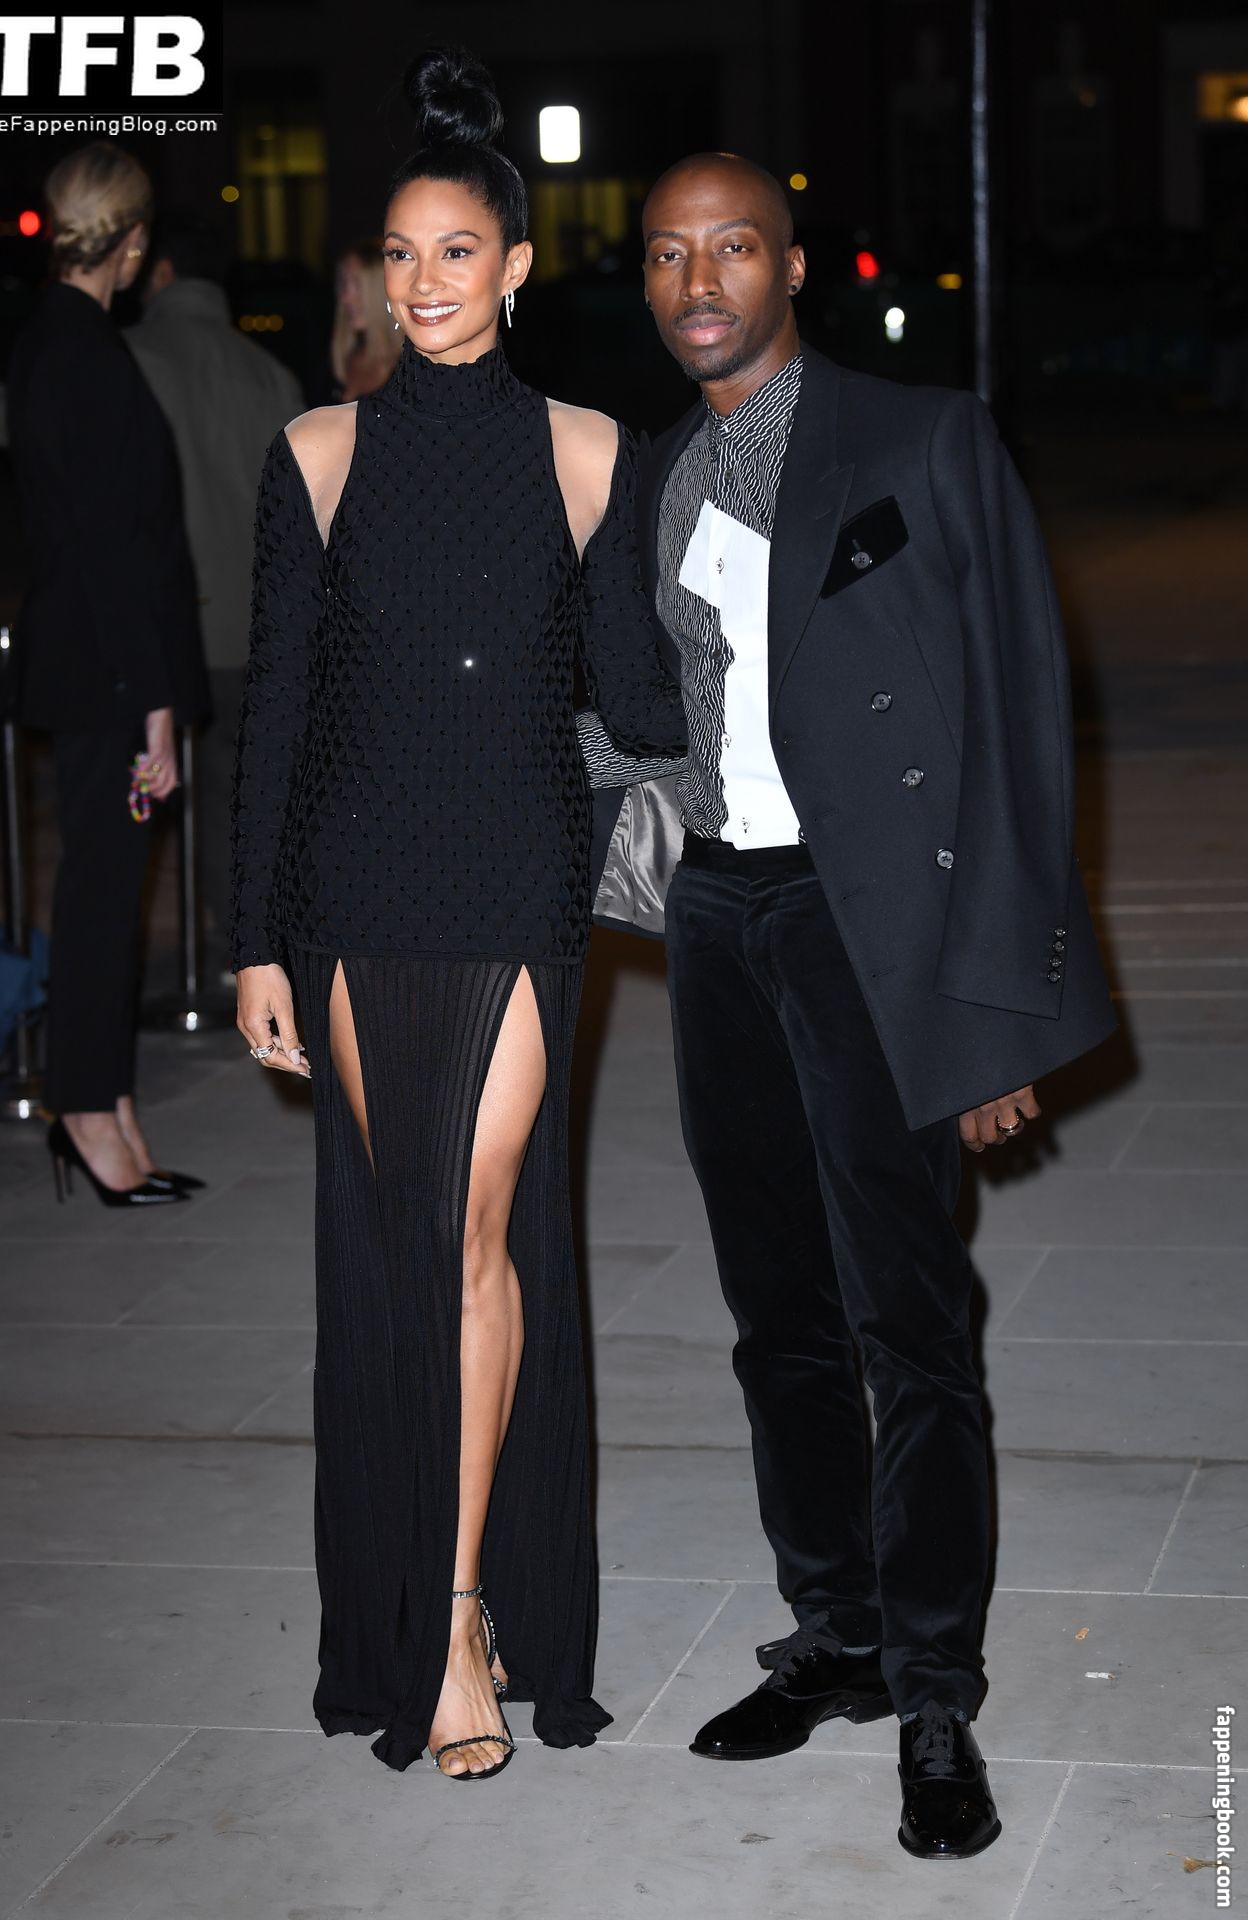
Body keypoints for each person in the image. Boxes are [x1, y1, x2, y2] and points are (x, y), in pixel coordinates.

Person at [630, 152, 1115, 1858]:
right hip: (718, 911)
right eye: (669, 253)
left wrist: (988, 1011)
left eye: (732, 248)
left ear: (792, 266)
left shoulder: (922, 438)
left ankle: (932, 1691)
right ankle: (832, 1630)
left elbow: (1021, 715)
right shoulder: (655, 472)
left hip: (870, 925)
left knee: (908, 1319)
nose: (699, 280)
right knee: (775, 1308)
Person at [230, 50, 686, 1780]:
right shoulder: (316, 452)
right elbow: (278, 716)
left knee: (471, 1222)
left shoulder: (587, 451)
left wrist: (723, 593)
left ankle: (458, 1610)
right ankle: (425, 1606)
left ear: (515, 267)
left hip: (513, 881)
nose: (424, 283)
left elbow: (637, 702)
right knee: (409, 1238)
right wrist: (257, 939)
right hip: (355, 886)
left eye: (457, 253)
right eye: (401, 255)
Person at [7, 141, 209, 1205]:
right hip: (110, 676)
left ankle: (108, 1101)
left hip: (98, 666)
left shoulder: (62, 340)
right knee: (99, 894)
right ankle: (85, 1110)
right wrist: (156, 706)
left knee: (109, 891)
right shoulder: (78, 352)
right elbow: (111, 550)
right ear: (131, 243)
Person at [127, 211, 304, 952]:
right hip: (256, 629)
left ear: (162, 273)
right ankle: (243, 951)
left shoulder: (128, 358)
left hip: (162, 631)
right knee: (242, 799)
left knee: (143, 803)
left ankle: (166, 961)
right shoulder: (270, 373)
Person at [330, 237, 404, 398]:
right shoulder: (339, 363)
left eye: (357, 285)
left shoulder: (412, 372)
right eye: (343, 284)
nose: (345, 297)